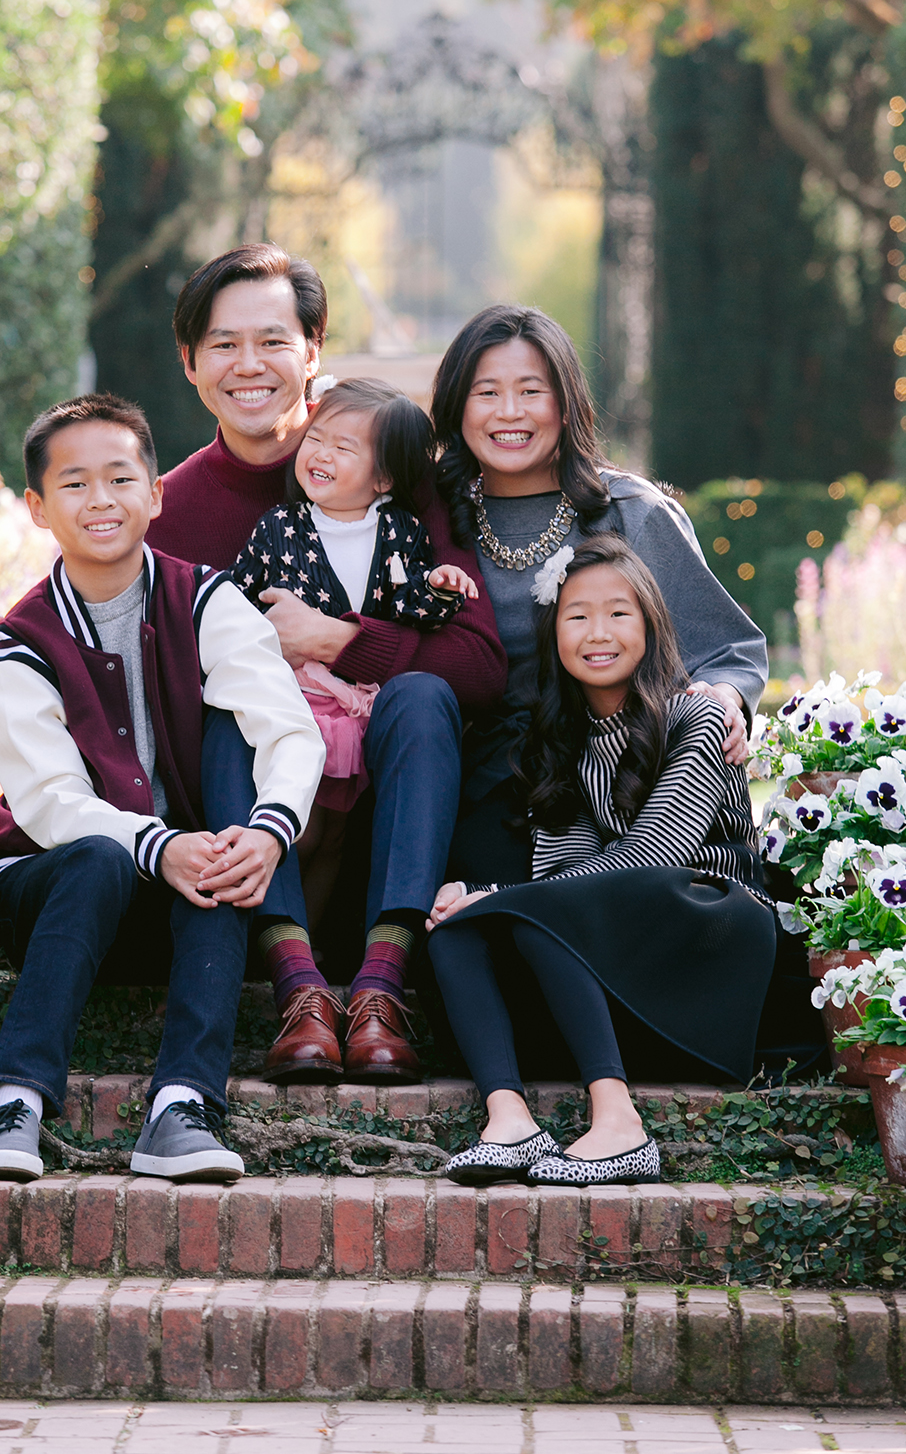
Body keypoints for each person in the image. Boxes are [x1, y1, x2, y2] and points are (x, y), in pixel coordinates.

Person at [145, 245, 508, 1086]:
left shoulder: (399, 476)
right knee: (233, 698)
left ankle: (382, 989)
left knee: (420, 692)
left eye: (272, 340)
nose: (248, 365)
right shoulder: (166, 512)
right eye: (223, 343)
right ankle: (298, 989)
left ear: (313, 352)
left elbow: (481, 665)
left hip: (395, 845)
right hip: (262, 868)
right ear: (191, 362)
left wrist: (336, 640)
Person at [0, 391, 325, 1187]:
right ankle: (17, 1100)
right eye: (74, 483)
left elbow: (289, 729)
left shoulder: (205, 599)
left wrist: (266, 832)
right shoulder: (21, 641)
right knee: (97, 854)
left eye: (121, 478)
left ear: (156, 493)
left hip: (175, 892)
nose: (101, 500)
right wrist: (157, 846)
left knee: (225, 862)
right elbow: (49, 802)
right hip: (53, 891)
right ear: (36, 507)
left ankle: (181, 1110)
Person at [426, 534, 776, 1188]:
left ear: (651, 623)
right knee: (457, 926)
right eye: (577, 615)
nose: (598, 631)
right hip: (630, 952)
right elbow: (563, 881)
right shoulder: (559, 743)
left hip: (713, 939)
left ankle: (619, 1126)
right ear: (553, 633)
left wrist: (501, 896)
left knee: (538, 915)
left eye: (619, 613)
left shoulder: (696, 718)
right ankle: (510, 1122)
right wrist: (485, 897)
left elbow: (653, 858)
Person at [428, 303, 767, 887]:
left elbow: (728, 649)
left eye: (531, 391)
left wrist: (730, 700)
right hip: (477, 782)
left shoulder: (631, 512)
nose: (509, 413)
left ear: (565, 404)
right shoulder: (429, 514)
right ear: (458, 405)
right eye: (486, 393)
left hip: (614, 782)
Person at [231, 377, 478, 986]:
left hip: (359, 707)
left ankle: (317, 956)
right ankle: (277, 960)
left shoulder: (399, 532)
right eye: (316, 438)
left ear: (385, 477)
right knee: (300, 822)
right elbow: (236, 599)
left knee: (338, 832)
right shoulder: (280, 526)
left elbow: (412, 604)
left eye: (345, 448)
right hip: (297, 699)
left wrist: (442, 586)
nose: (322, 454)